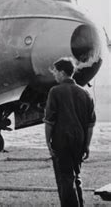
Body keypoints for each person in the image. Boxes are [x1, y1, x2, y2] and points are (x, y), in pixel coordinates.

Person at [44, 57, 96, 207]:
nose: (54, 75)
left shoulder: (55, 91)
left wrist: (48, 142)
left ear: (62, 72)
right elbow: (90, 124)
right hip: (79, 141)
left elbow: (49, 121)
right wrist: (86, 145)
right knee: (76, 176)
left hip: (61, 140)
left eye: (55, 72)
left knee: (65, 178)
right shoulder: (86, 93)